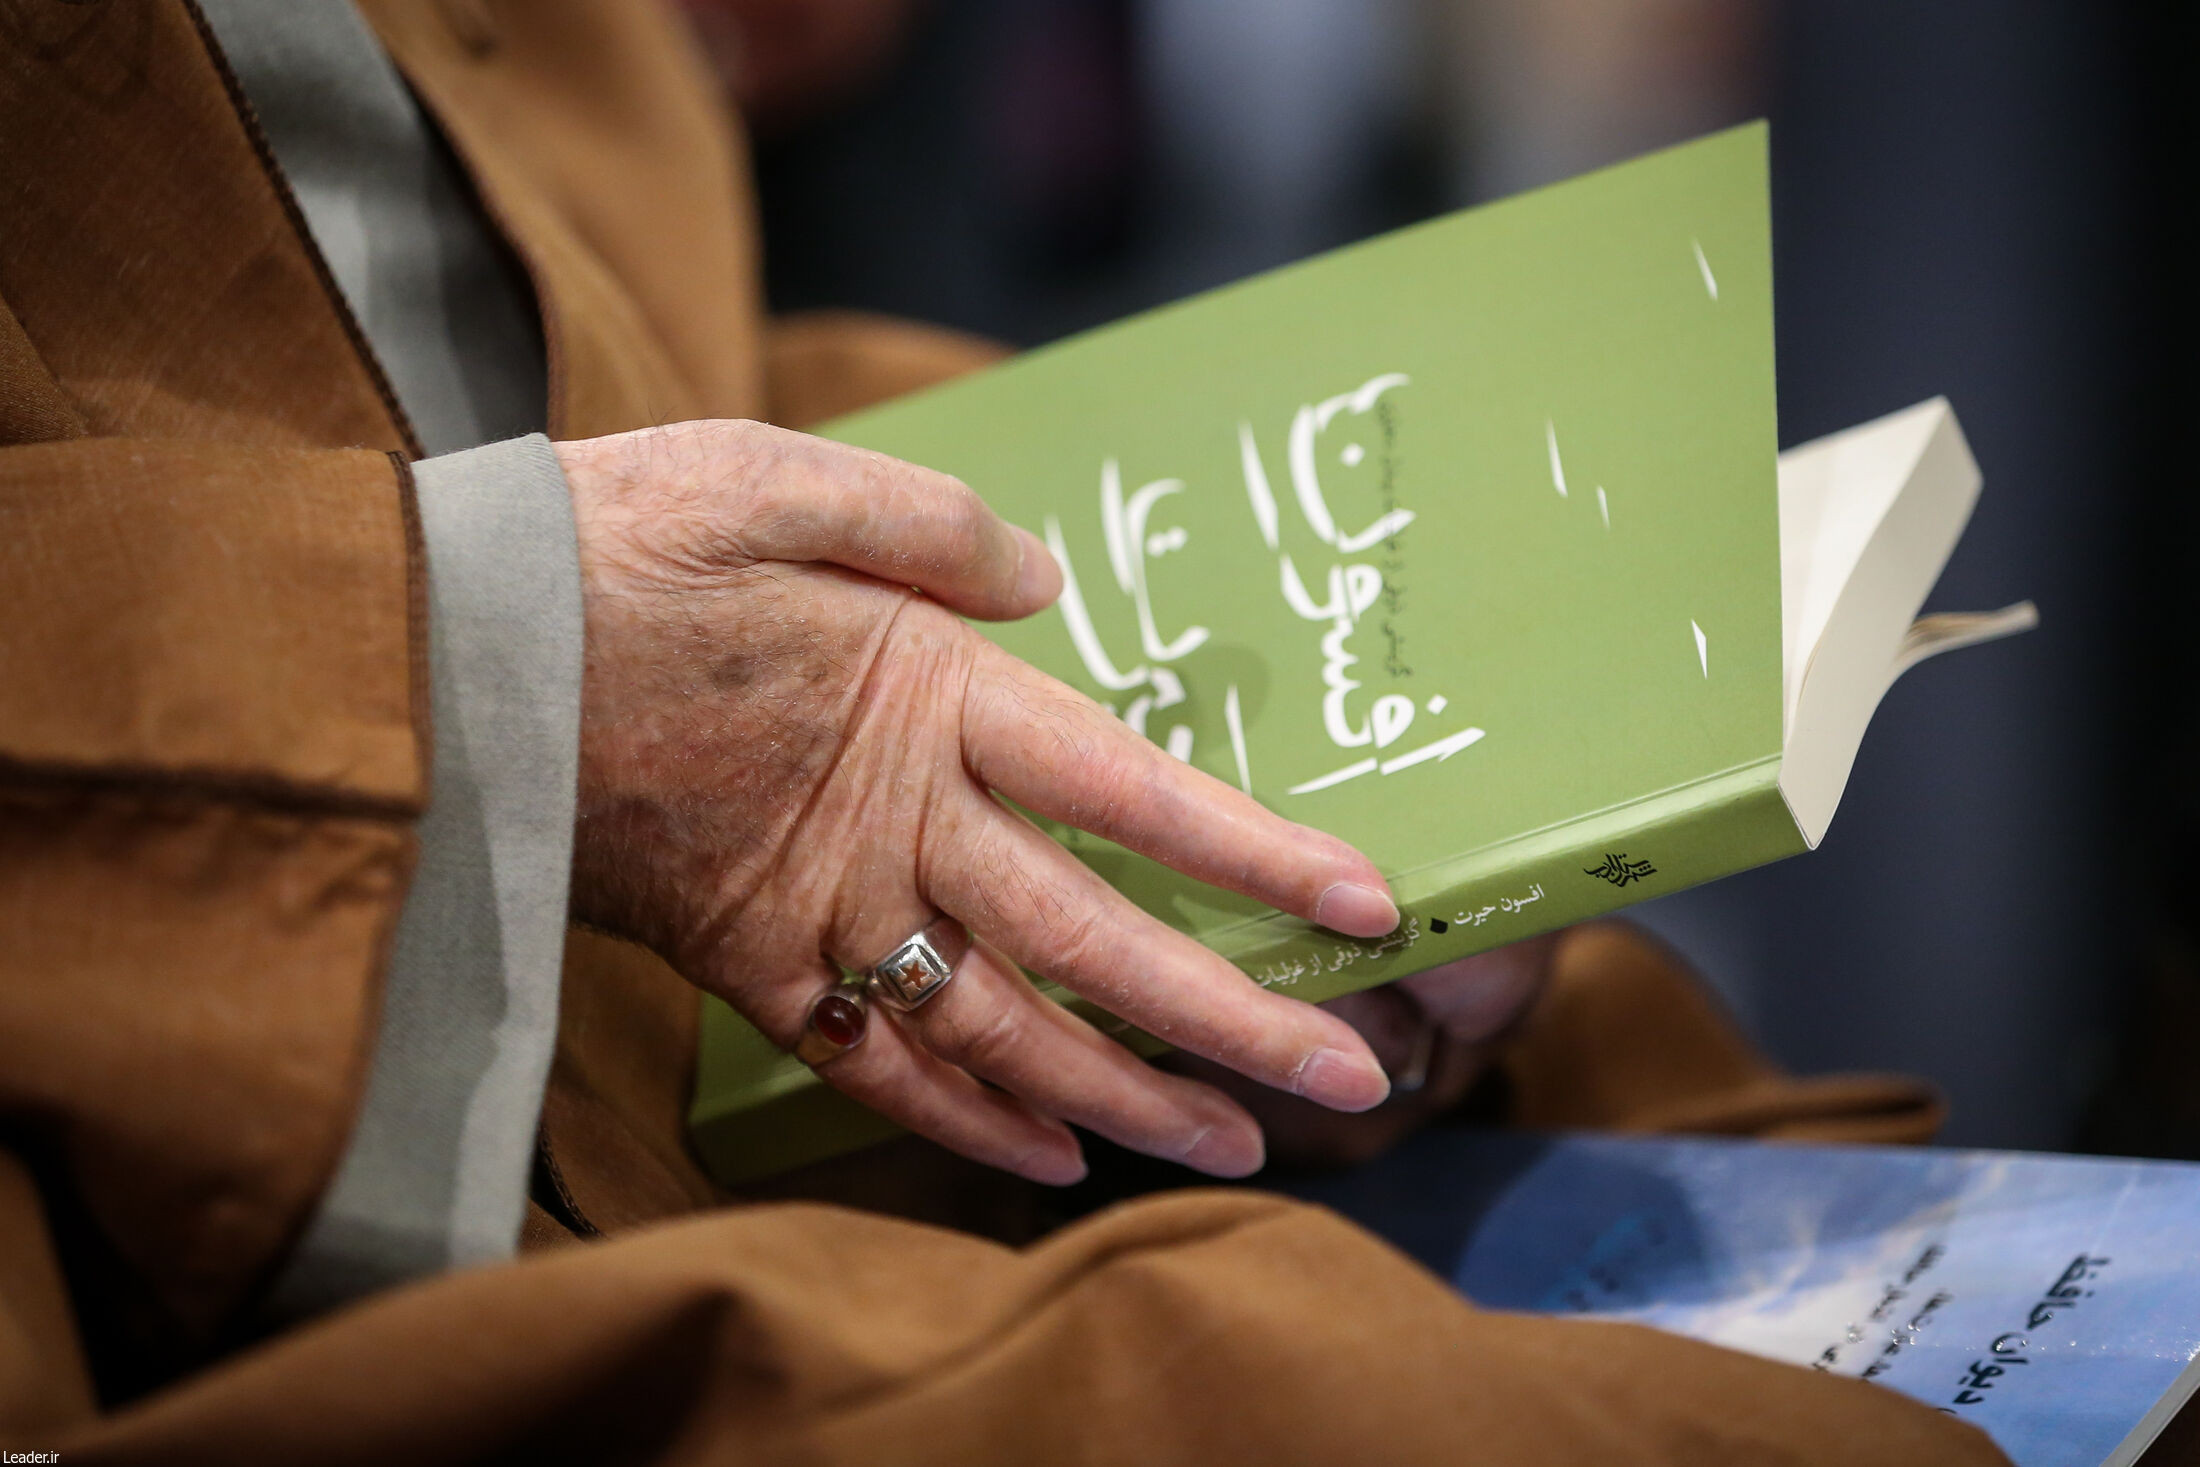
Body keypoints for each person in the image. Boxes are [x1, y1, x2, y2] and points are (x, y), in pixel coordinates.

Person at [0, 2, 2004, 1461]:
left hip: (702, 911)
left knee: (1795, 1171)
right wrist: (500, 657)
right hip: (254, 1156)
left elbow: (521, 321)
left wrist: (1038, 499)